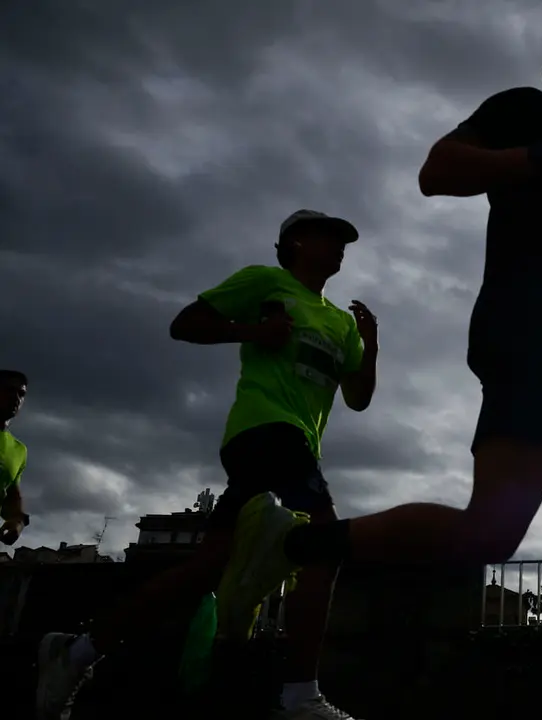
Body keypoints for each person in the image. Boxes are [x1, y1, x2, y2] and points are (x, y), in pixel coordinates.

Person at [179, 18, 542, 720]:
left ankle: (296, 541)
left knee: (489, 534)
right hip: (533, 337)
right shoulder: (526, 113)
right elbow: (435, 172)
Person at [36, 209, 379, 720]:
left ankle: (78, 650)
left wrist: (370, 347)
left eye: (342, 240)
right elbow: (185, 324)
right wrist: (253, 332)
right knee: (326, 543)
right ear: (294, 244)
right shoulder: (267, 282)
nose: (339, 246)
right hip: (263, 428)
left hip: (295, 443)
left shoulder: (340, 322)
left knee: (205, 568)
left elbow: (358, 397)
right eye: (326, 236)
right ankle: (300, 693)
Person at [1, 369, 31, 547]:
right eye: (8, 390)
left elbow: (11, 496)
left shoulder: (18, 450)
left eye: (21, 393)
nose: (16, 398)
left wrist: (17, 521)